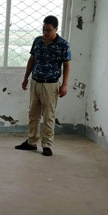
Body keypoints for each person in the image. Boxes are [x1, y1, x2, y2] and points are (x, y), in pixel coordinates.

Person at [15, 15, 71, 156]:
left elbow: (66, 65)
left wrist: (64, 85)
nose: (45, 32)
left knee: (48, 116)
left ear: (56, 29)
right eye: (44, 29)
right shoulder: (38, 41)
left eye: (49, 30)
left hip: (50, 85)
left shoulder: (63, 44)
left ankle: (47, 145)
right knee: (33, 114)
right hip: (35, 82)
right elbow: (32, 59)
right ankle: (31, 141)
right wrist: (25, 78)